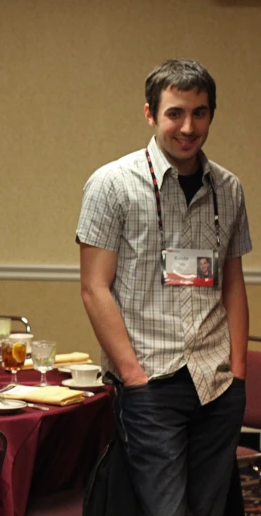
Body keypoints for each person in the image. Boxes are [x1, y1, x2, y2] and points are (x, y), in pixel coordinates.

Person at [77, 59, 250, 516]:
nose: (188, 126)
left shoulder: (228, 189)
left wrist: (237, 373)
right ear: (150, 114)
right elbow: (95, 288)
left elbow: (233, 284)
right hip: (150, 383)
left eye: (200, 113)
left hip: (216, 384)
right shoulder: (112, 185)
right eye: (175, 113)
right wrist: (133, 378)